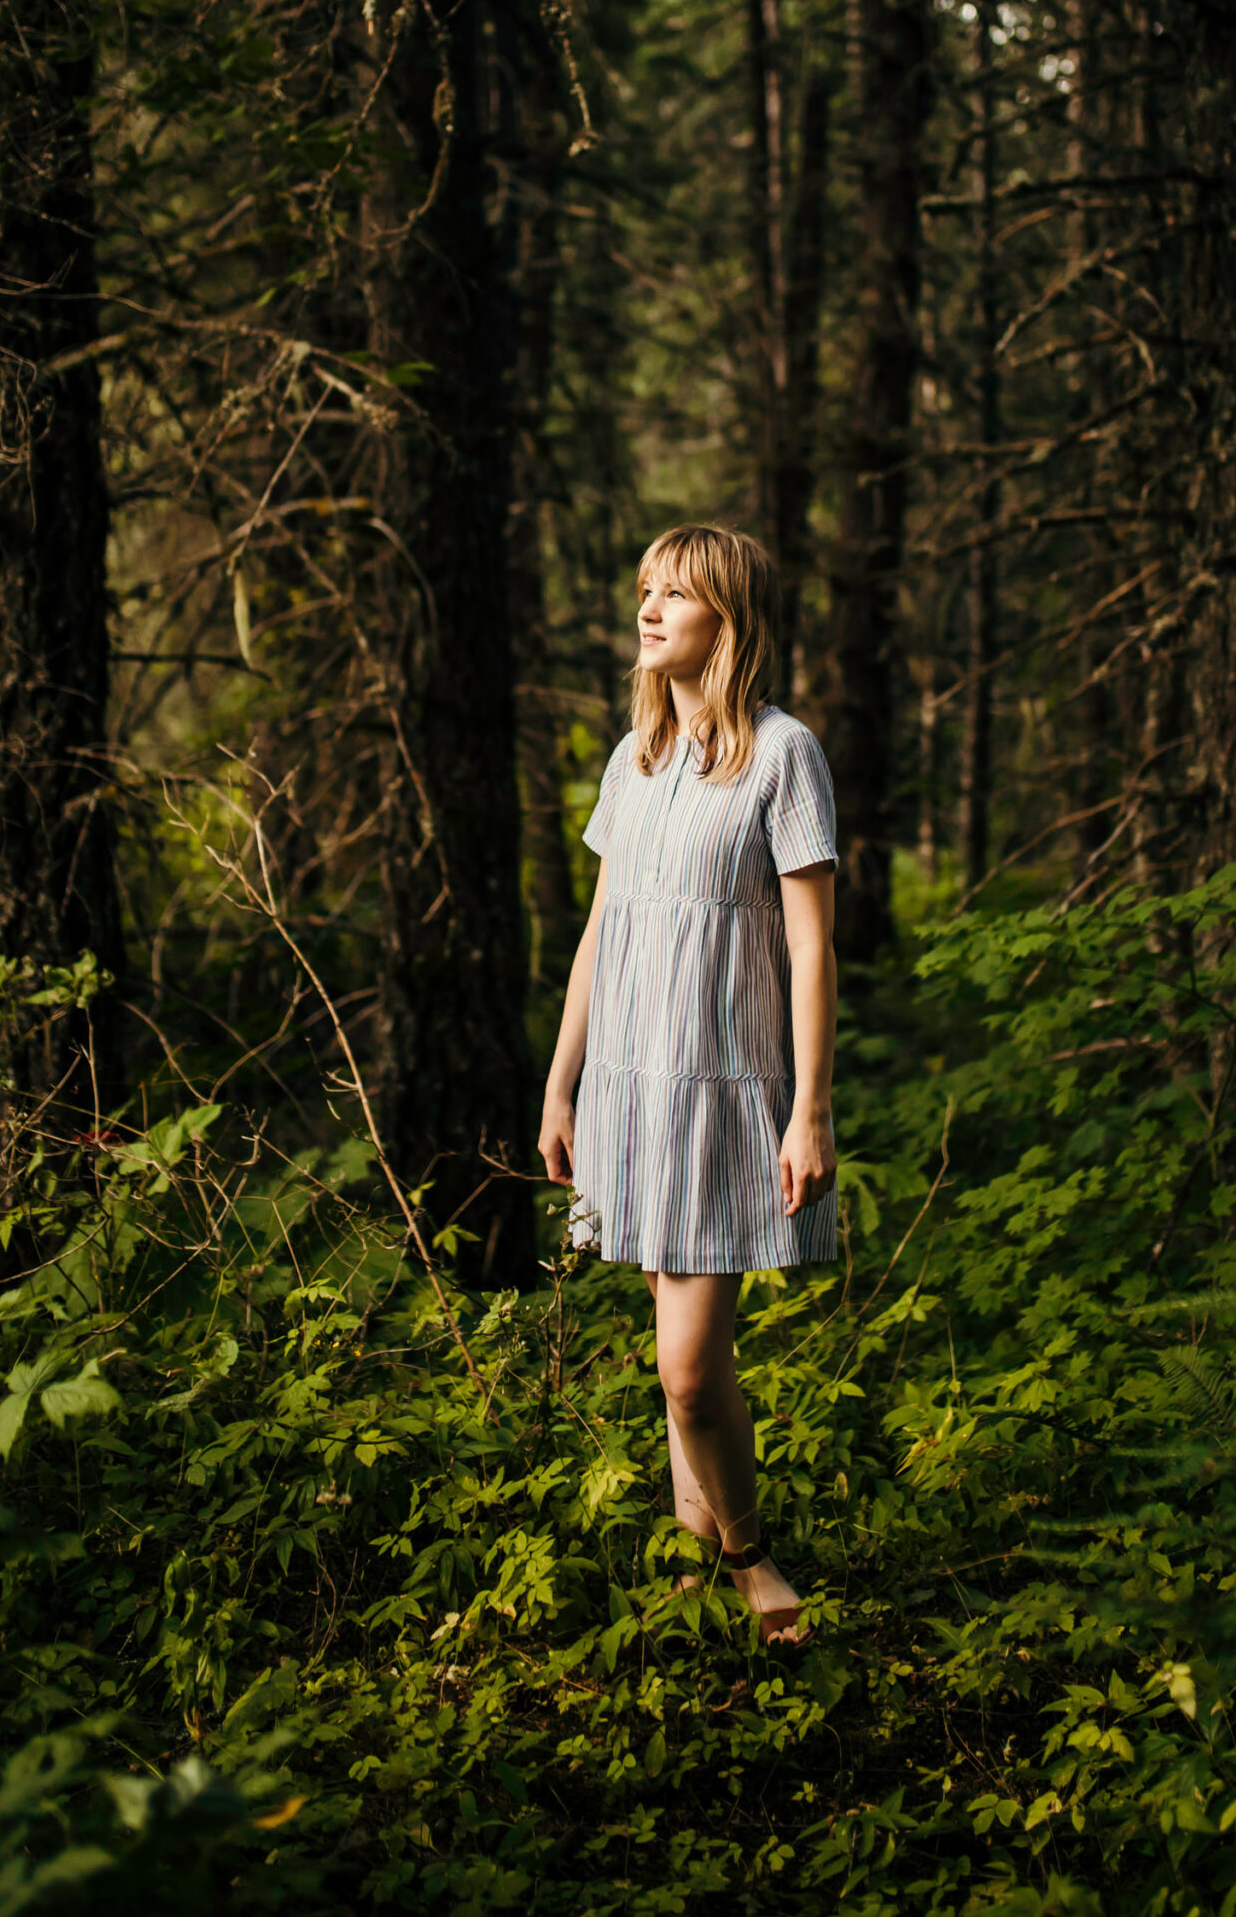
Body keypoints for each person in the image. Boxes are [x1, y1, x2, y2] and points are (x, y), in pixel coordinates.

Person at [536, 523, 839, 1644]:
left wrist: (809, 1109)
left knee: (687, 1371)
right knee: (679, 1362)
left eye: (678, 594)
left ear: (732, 618)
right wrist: (562, 1085)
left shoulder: (786, 755)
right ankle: (690, 1562)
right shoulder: (637, 759)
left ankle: (748, 1556)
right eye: (644, 589)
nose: (649, 610)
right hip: (630, 1085)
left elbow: (810, 947)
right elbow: (601, 931)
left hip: (726, 1095)